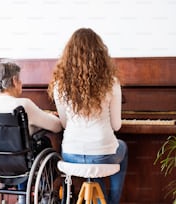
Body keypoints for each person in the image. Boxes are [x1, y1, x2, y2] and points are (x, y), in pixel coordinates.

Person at [48, 28, 128, 204]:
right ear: (100, 54)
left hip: (70, 154)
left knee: (95, 163)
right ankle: (111, 201)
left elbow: (64, 123)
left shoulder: (60, 84)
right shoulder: (111, 82)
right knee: (122, 148)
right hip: (102, 153)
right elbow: (116, 126)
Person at [0, 62, 62, 204]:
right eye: (19, 79)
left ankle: (22, 197)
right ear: (14, 81)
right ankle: (46, 192)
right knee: (42, 143)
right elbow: (57, 127)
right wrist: (51, 116)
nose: (21, 83)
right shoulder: (24, 105)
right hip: (21, 161)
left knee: (21, 147)